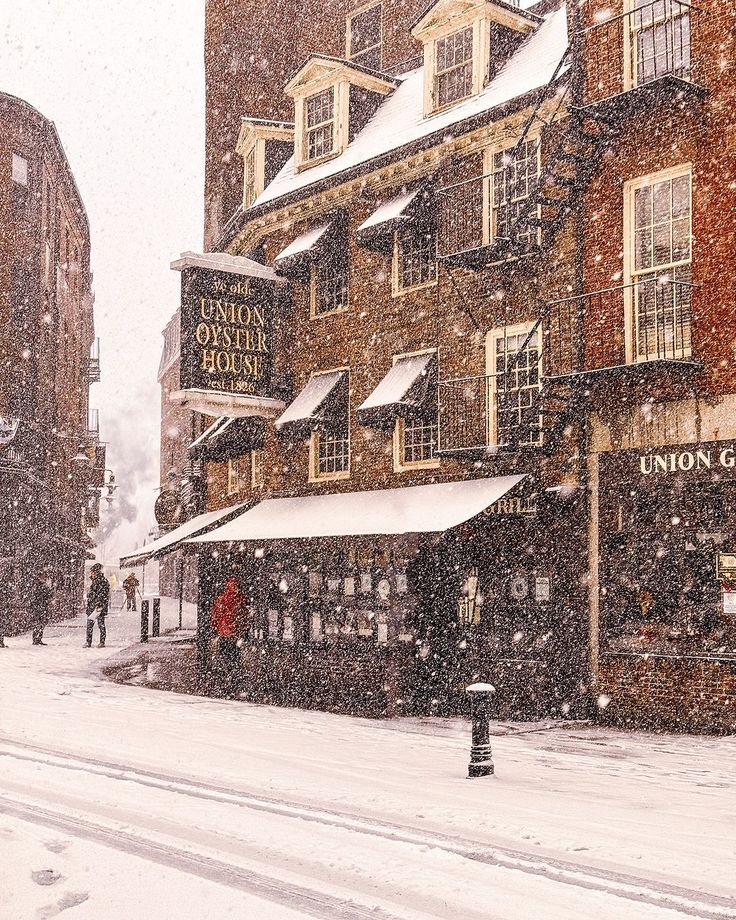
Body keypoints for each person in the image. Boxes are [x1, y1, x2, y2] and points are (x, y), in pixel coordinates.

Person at [210, 577, 246, 697]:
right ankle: (233, 676)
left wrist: (214, 626)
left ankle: (227, 675)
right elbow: (244, 616)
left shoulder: (222, 599)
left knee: (224, 655)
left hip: (224, 632)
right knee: (235, 656)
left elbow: (215, 615)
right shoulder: (240, 599)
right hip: (234, 634)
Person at [85, 563, 110, 648]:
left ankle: (101, 642)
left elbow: (103, 594)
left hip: (98, 607)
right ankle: (89, 642)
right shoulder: (94, 581)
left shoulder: (102, 581)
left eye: (92, 572)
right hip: (92, 606)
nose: (91, 573)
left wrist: (98, 602)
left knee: (100, 624)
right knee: (90, 624)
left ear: (96, 572)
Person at [30, 571, 53, 646]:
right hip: (39, 607)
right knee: (38, 623)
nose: (45, 579)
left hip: (42, 607)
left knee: (41, 623)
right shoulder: (38, 586)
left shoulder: (42, 586)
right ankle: (36, 639)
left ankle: (38, 638)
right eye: (43, 577)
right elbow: (46, 595)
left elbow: (49, 595)